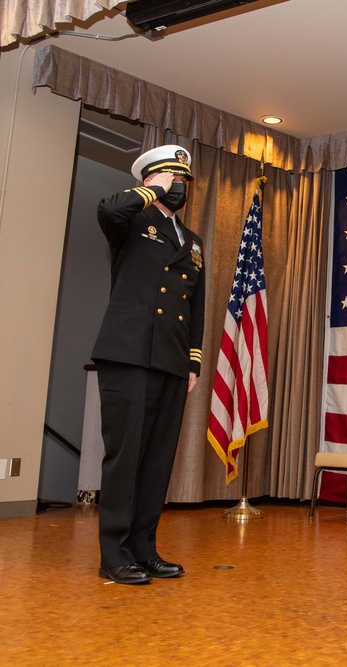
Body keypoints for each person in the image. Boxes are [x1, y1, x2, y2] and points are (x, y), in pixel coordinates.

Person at [92, 144, 206, 585]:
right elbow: (108, 209)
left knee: (157, 460)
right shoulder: (132, 221)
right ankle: (114, 554)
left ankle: (143, 548)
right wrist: (146, 193)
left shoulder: (192, 242)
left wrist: (192, 359)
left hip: (172, 359)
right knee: (126, 456)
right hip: (129, 352)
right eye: (169, 179)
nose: (177, 187)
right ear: (150, 180)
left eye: (181, 181)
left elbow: (195, 306)